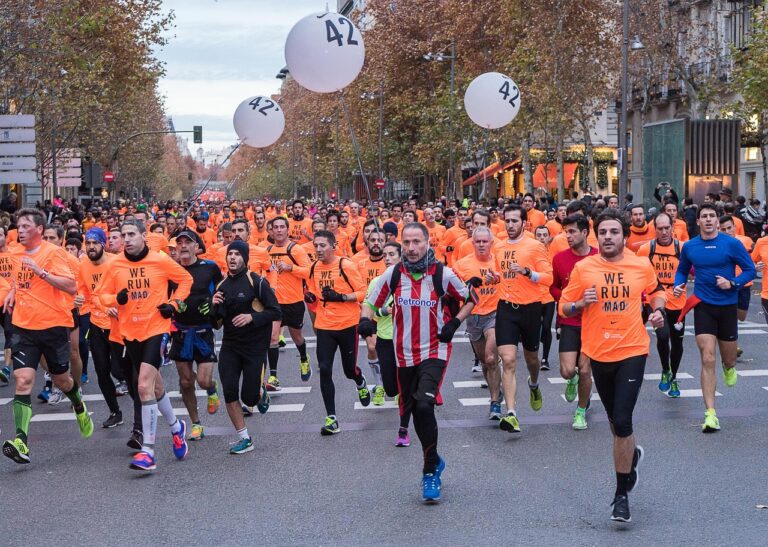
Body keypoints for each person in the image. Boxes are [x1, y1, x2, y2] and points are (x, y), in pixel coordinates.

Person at [560, 209, 666, 523]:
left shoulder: (640, 263)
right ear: (597, 235)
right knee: (614, 422)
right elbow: (564, 304)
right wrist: (580, 304)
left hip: (632, 349)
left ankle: (621, 495)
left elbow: (657, 291)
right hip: (598, 353)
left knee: (622, 419)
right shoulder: (584, 268)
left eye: (614, 232)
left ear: (623, 236)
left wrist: (658, 311)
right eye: (603, 232)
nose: (608, 237)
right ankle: (630, 455)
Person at [361, 222, 476, 503]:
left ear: (427, 243)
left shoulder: (443, 274)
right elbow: (370, 302)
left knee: (425, 404)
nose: (411, 248)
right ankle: (435, 458)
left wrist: (455, 323)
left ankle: (429, 473)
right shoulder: (394, 274)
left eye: (417, 242)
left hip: (434, 350)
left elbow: (470, 298)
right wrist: (365, 319)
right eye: (407, 243)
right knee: (414, 412)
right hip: (403, 354)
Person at [96, 219, 193, 471]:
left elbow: (185, 281)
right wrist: (115, 299)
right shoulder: (115, 264)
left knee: (142, 385)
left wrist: (173, 304)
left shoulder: (160, 260)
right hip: (130, 333)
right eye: (122, 235)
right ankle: (176, 427)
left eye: (131, 234)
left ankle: (148, 450)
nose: (126, 239)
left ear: (143, 236)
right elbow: (101, 296)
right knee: (155, 385)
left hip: (156, 329)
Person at [2, 208, 92, 464]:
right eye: (18, 226)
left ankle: (78, 404)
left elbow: (70, 285)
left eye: (26, 226)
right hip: (23, 326)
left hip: (52, 327)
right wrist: (12, 291)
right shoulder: (16, 252)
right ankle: (21, 441)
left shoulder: (53, 254)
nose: (20, 230)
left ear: (39, 229)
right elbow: (18, 280)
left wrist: (41, 272)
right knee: (22, 381)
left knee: (62, 381)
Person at [673, 204, 756, 433]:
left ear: (717, 222)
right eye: (704, 217)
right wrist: (678, 285)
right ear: (698, 221)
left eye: (712, 216)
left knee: (727, 359)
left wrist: (732, 283)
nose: (708, 220)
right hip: (703, 305)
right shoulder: (690, 246)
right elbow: (682, 270)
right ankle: (710, 414)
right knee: (707, 357)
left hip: (728, 306)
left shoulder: (732, 244)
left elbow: (749, 270)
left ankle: (729, 367)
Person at [211, 240, 280, 453]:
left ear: (245, 258)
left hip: (254, 348)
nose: (232, 257)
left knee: (249, 397)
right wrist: (213, 306)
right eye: (230, 254)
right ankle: (244, 438)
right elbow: (216, 324)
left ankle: (260, 394)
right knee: (230, 391)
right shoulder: (222, 286)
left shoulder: (256, 282)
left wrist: (252, 317)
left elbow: (276, 311)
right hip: (231, 346)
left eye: (237, 254)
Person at [489, 204, 552, 433]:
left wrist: (528, 272)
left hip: (531, 309)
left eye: (515, 221)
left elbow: (548, 278)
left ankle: (533, 383)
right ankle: (512, 413)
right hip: (506, 308)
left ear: (524, 223)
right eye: (507, 220)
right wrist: (492, 278)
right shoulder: (499, 246)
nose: (510, 224)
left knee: (532, 359)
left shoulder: (535, 247)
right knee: (507, 360)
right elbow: (499, 275)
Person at [302, 230, 370, 434]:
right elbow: (313, 294)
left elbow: (363, 292)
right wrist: (311, 299)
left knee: (349, 370)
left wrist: (341, 297)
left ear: (333, 246)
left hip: (348, 324)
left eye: (323, 245)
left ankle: (360, 380)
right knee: (324, 369)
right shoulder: (313, 267)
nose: (319, 249)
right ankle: (331, 418)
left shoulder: (345, 265)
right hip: (324, 326)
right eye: (316, 245)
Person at [170, 230, 223, 441]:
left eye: (188, 242)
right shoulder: (169, 269)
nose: (183, 245)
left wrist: (212, 304)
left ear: (196, 247)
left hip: (203, 331)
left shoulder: (209, 267)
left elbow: (222, 291)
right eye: (179, 242)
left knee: (202, 380)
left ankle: (211, 389)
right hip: (181, 331)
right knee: (185, 382)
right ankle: (196, 423)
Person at [550, 215, 598, 430]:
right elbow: (553, 288)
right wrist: (570, 298)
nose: (567, 236)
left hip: (593, 322)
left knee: (585, 369)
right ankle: (572, 380)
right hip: (569, 319)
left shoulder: (599, 257)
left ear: (585, 233)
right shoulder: (560, 259)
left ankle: (580, 411)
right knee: (568, 370)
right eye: (565, 232)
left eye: (572, 232)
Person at [365, 241, 414, 445]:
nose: (386, 258)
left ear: (401, 257)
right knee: (391, 388)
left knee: (406, 386)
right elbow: (370, 308)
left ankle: (403, 429)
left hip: (408, 339)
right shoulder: (377, 282)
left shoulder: (410, 280)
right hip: (385, 337)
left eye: (391, 254)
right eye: (384, 254)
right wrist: (383, 311)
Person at [453, 227, 502, 419]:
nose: (482, 245)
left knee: (491, 358)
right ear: (472, 243)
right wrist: (467, 285)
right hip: (473, 316)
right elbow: (454, 290)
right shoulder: (461, 265)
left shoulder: (499, 261)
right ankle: (495, 390)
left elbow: (510, 282)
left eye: (485, 241)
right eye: (478, 242)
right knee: (484, 361)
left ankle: (495, 402)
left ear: (491, 243)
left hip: (495, 313)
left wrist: (497, 278)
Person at [636, 213, 687, 397]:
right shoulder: (645, 249)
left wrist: (684, 283)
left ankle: (673, 377)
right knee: (663, 336)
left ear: (673, 227)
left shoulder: (682, 248)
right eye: (660, 228)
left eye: (667, 228)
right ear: (654, 229)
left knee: (677, 342)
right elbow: (636, 274)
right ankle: (666, 370)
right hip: (655, 300)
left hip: (678, 301)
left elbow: (694, 269)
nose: (664, 232)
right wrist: (642, 296)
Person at [265, 216, 312, 386]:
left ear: (287, 230)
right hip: (273, 302)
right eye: (275, 227)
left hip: (293, 301)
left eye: (281, 227)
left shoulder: (296, 249)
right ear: (271, 231)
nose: (278, 230)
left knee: (296, 336)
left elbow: (309, 272)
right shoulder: (267, 250)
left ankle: (304, 358)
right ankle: (273, 376)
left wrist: (290, 267)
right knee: (272, 337)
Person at [534, 225, 555, 371]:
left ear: (549, 237)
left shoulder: (554, 253)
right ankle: (534, 354)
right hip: (533, 296)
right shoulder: (530, 252)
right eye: (539, 235)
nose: (542, 237)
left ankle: (545, 358)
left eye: (544, 235)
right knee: (534, 329)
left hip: (549, 296)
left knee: (546, 327)